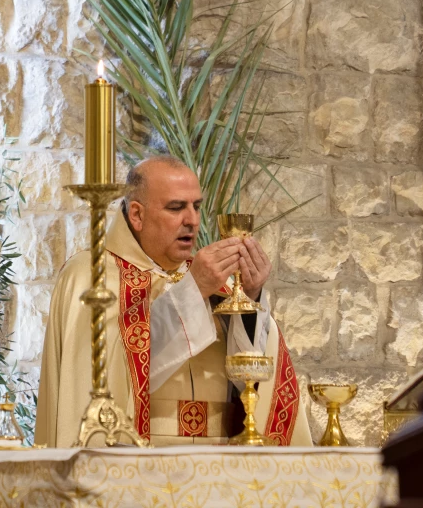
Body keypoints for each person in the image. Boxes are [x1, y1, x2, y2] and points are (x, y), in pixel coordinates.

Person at [34, 155, 311, 447]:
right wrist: (194, 290)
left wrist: (250, 298)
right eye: (176, 207)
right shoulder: (92, 275)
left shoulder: (212, 280)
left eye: (196, 207)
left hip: (219, 463)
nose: (192, 220)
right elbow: (112, 372)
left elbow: (250, 378)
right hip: (137, 456)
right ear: (137, 215)